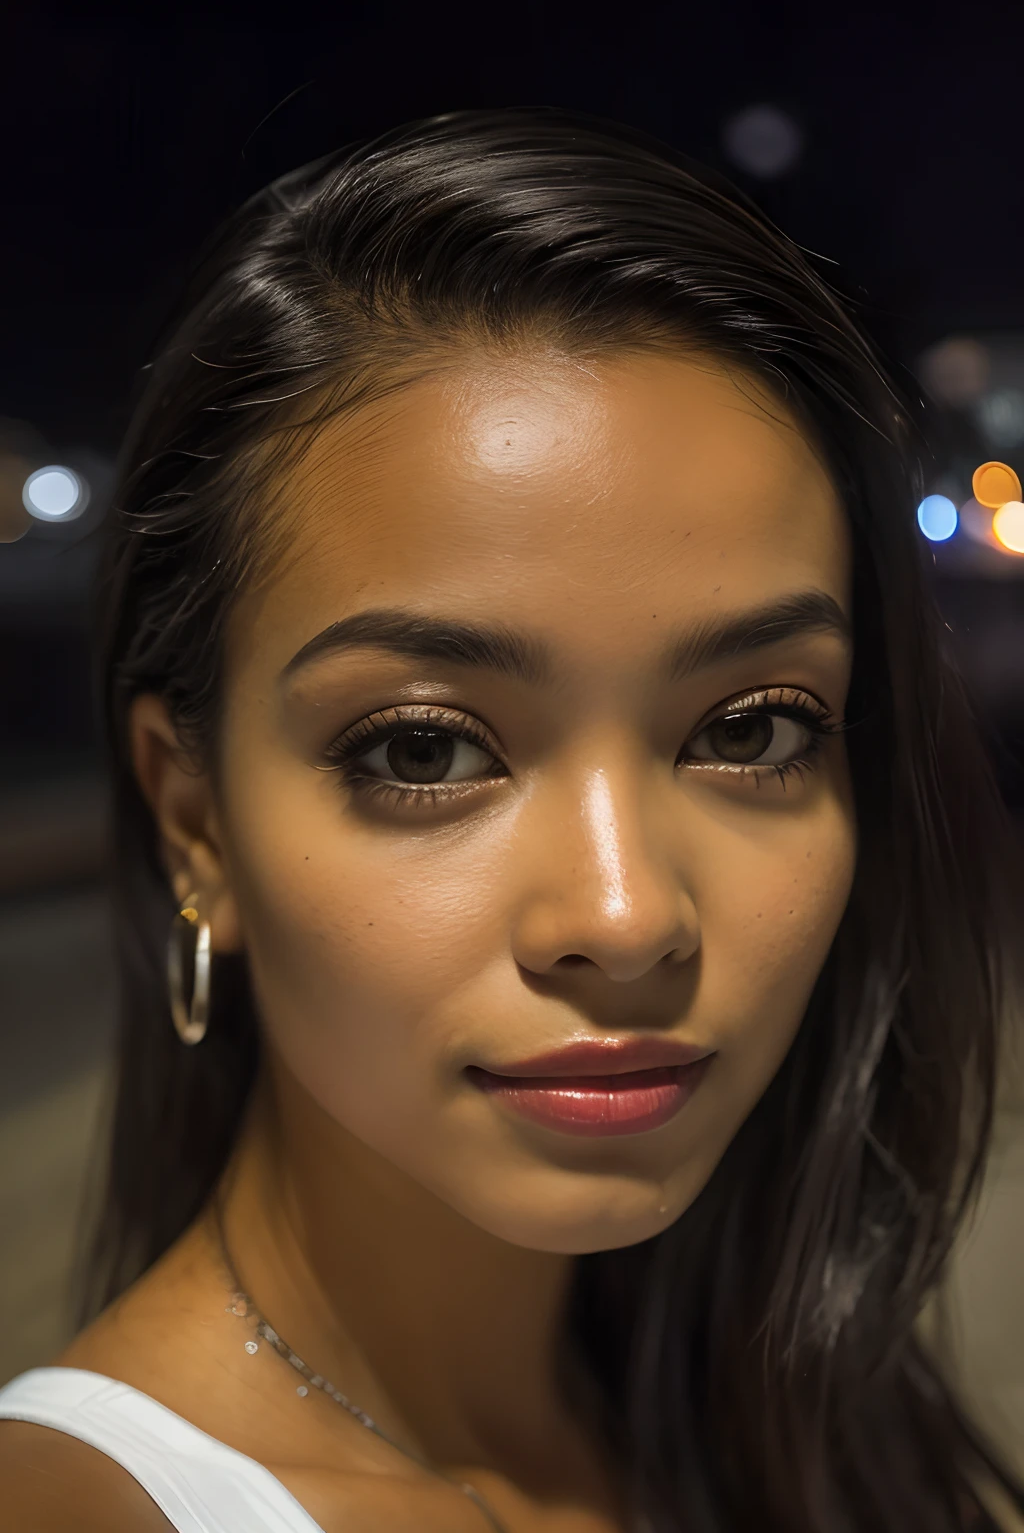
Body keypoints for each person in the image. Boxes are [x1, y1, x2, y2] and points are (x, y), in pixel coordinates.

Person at [0, 107, 1021, 1532]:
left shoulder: (804, 1429)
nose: (626, 916)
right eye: (424, 748)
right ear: (196, 825)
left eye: (754, 730)